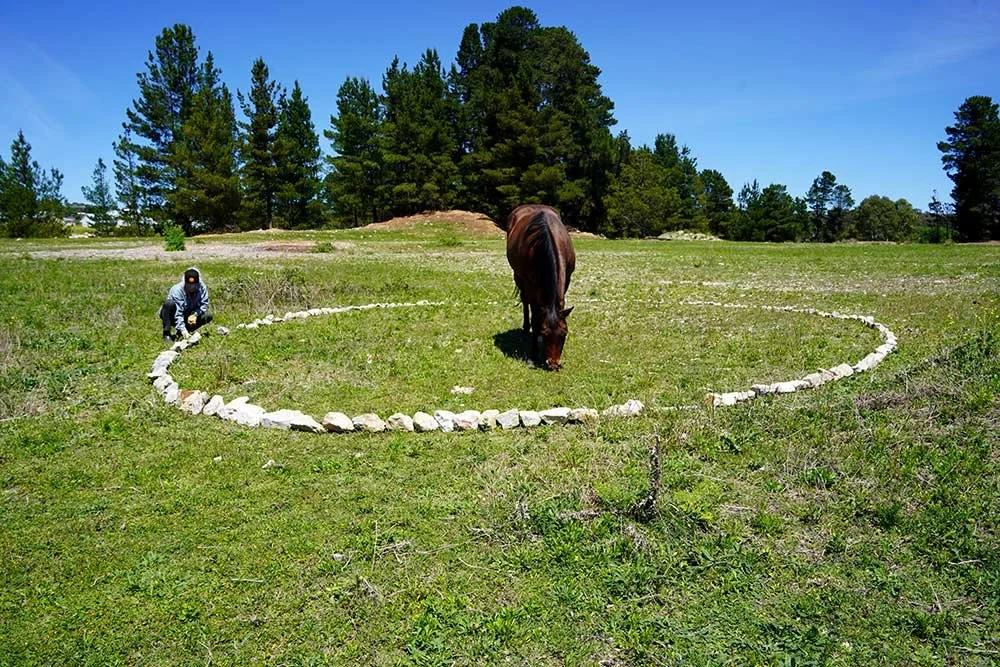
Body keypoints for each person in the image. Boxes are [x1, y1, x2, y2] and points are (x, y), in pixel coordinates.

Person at [159, 267, 213, 343]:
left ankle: (185, 331)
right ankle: (167, 334)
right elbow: (178, 313)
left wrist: (195, 314)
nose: (192, 287)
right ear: (185, 282)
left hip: (189, 313)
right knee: (169, 304)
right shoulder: (177, 290)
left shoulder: (202, 287)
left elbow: (204, 304)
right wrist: (182, 329)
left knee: (208, 316)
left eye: (194, 285)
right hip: (173, 315)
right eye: (189, 285)